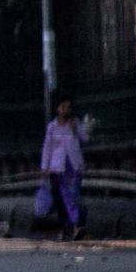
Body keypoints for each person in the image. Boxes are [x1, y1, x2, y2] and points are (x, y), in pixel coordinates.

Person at [41, 93, 90, 241]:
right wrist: (44, 167)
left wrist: (76, 129)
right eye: (63, 107)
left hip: (73, 168)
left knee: (74, 197)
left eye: (68, 107)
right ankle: (63, 228)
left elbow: (85, 139)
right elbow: (47, 148)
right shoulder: (52, 127)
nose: (66, 110)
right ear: (57, 109)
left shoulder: (74, 124)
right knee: (60, 200)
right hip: (57, 168)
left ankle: (77, 227)